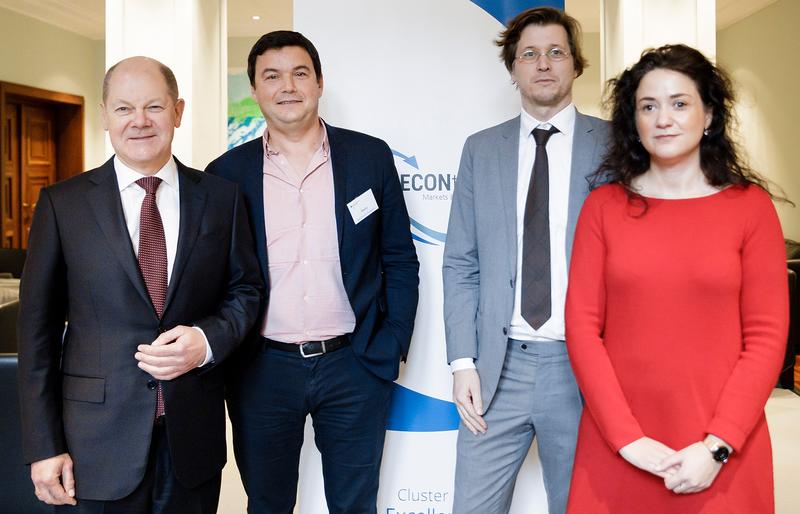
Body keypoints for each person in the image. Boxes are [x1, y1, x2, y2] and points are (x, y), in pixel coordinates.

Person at [17, 56, 263, 513]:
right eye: (124, 109)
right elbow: (37, 335)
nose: (140, 121)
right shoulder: (62, 205)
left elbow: (246, 290)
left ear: (178, 111)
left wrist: (206, 340)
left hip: (192, 437)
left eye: (154, 106)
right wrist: (43, 446)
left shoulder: (220, 198)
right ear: (106, 116)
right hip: (93, 444)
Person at [565, 44, 789, 514]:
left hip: (722, 451)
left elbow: (767, 338)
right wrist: (627, 441)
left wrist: (717, 446)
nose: (663, 118)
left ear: (708, 114)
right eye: (649, 106)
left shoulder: (750, 209)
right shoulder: (603, 207)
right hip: (618, 448)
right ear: (634, 122)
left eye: (679, 103)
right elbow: (583, 329)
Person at [205, 30, 419, 514]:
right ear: (255, 90)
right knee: (268, 502)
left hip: (354, 363)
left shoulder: (369, 157)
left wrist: (393, 343)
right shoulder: (225, 174)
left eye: (300, 73)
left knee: (355, 502)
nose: (288, 86)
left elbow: (400, 259)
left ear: (320, 82)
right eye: (272, 76)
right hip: (261, 368)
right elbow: (214, 279)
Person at [442, 7, 609, 514]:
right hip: (498, 367)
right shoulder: (481, 150)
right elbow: (461, 263)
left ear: (575, 65)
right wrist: (462, 363)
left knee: (583, 506)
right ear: (512, 68)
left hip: (584, 366)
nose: (543, 63)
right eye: (529, 54)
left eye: (556, 52)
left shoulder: (616, 147)